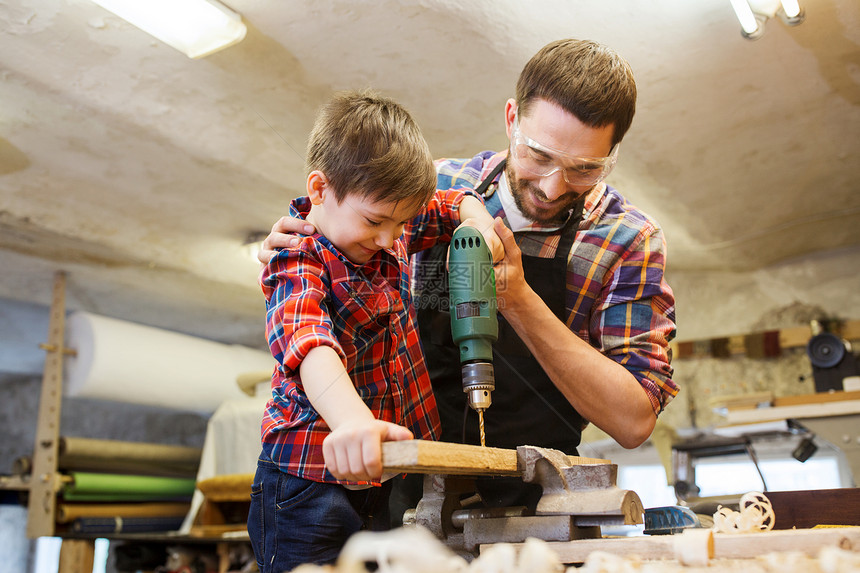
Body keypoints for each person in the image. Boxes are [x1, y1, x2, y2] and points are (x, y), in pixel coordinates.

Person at [259, 39, 678, 515]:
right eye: (539, 156)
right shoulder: (429, 186)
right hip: (403, 482)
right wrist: (297, 249)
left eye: (584, 170)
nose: (551, 186)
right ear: (511, 120)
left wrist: (517, 299)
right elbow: (337, 231)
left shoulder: (628, 240)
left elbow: (633, 423)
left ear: (611, 155)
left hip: (534, 496)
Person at [248, 90, 502, 571]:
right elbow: (309, 343)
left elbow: (448, 205)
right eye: (375, 221)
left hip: (379, 472)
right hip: (306, 480)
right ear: (320, 189)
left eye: (400, 222)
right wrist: (352, 421)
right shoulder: (296, 258)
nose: (390, 238)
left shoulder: (391, 225)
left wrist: (478, 220)